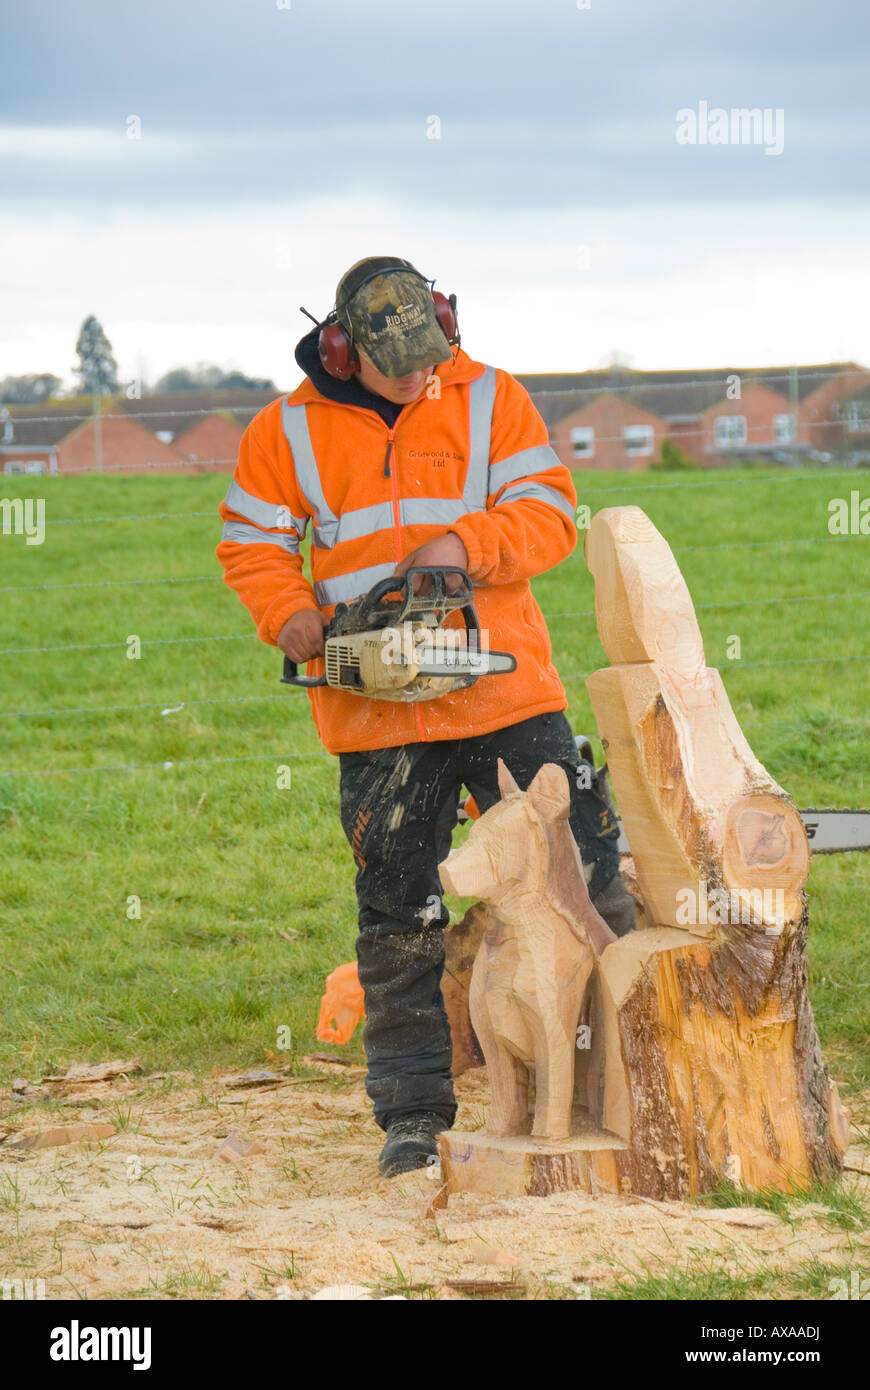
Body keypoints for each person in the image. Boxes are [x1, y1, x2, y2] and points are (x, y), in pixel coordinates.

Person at [216, 255, 634, 1177]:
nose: (416, 375)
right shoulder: (283, 430)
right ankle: (412, 1115)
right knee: (399, 908)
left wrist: (464, 545)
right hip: (375, 709)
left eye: (426, 354)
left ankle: (629, 1069)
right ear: (340, 346)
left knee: (585, 876)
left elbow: (551, 513)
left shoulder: (489, 395)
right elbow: (249, 543)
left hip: (503, 688)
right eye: (394, 360)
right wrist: (291, 617)